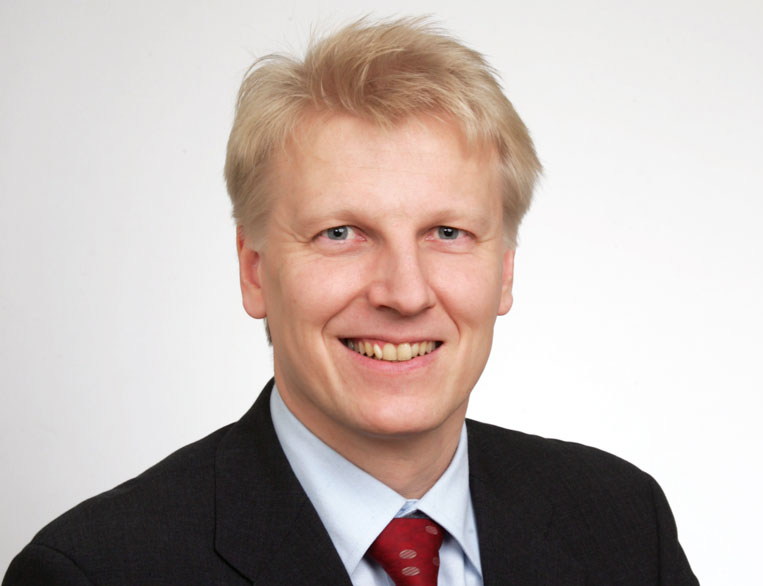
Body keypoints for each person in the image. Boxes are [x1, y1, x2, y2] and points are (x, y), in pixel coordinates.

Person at [3, 18, 698, 585]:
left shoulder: (622, 524)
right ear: (254, 271)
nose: (404, 293)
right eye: (341, 233)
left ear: (505, 271)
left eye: (448, 233)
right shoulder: (97, 571)